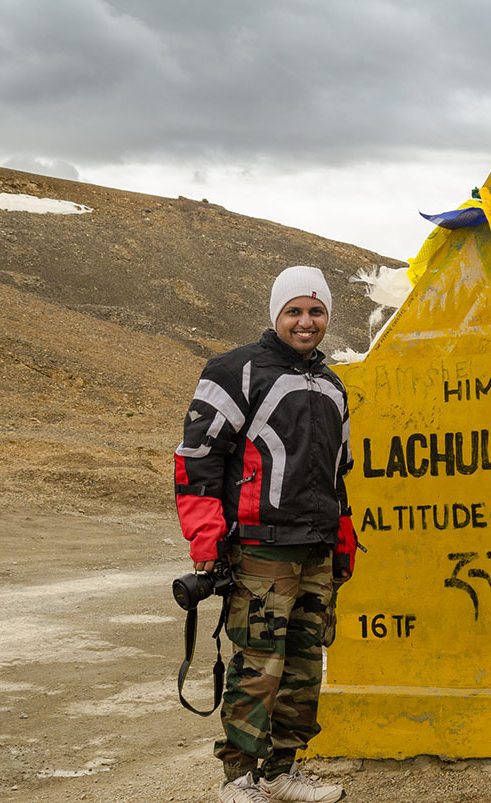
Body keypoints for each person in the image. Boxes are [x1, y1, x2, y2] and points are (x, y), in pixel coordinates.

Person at [174, 265, 356, 803]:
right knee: (258, 665)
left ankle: (280, 772)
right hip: (259, 548)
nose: (306, 322)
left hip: (316, 549)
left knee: (303, 664)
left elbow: (338, 473)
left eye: (316, 311)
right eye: (294, 311)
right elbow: (197, 460)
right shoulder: (235, 371)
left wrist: (341, 539)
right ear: (276, 314)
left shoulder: (332, 383)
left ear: (327, 317)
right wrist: (206, 537)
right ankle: (238, 780)